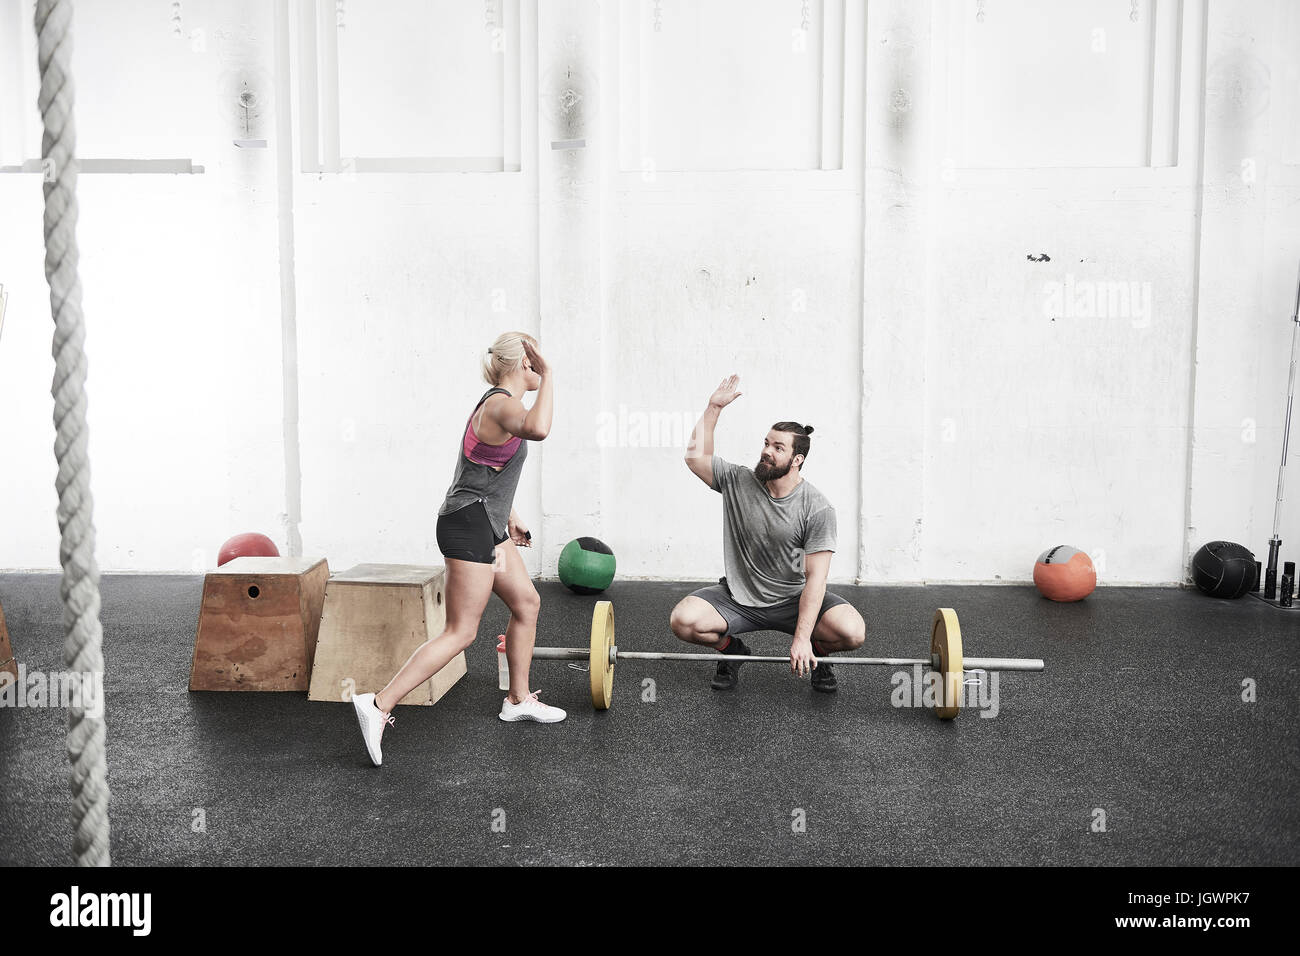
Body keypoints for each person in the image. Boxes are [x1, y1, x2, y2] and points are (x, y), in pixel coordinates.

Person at [352, 332, 564, 766]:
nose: (538, 368)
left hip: (484, 522)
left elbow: (482, 470)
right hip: (467, 527)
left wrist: (509, 515)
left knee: (527, 602)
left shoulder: (499, 404)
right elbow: (539, 429)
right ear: (524, 363)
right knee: (462, 632)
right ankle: (378, 704)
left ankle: (518, 699)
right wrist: (552, 374)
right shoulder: (503, 403)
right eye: (534, 361)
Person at [670, 374, 866, 693]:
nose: (766, 452)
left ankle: (820, 654)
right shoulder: (738, 481)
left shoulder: (817, 508)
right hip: (739, 597)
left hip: (794, 599)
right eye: (766, 443)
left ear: (797, 460)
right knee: (684, 621)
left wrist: (803, 639)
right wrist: (713, 408)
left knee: (852, 631)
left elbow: (816, 578)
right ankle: (732, 651)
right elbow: (695, 458)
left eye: (778, 448)